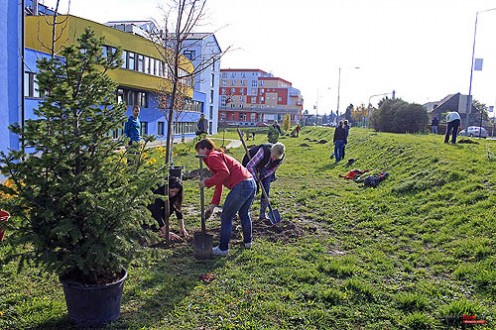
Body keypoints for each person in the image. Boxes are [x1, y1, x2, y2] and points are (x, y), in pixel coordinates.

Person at [196, 138, 256, 256]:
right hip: (251, 183)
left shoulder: (212, 156)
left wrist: (206, 183)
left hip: (242, 185)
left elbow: (224, 173)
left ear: (205, 148)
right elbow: (219, 183)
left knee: (226, 217)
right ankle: (248, 242)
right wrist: (212, 207)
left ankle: (223, 249)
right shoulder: (216, 156)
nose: (198, 154)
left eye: (199, 151)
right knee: (244, 214)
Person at [242, 142, 285, 221]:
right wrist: (256, 179)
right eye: (274, 156)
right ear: (271, 151)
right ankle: (244, 211)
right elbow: (249, 166)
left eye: (277, 158)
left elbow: (272, 170)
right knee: (251, 188)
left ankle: (262, 214)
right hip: (251, 165)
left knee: (266, 188)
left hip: (265, 168)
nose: (274, 159)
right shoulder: (263, 151)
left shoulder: (280, 158)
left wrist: (263, 176)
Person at [147, 176, 188, 240]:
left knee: (171, 206)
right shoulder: (158, 193)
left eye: (176, 192)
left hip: (158, 210)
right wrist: (166, 232)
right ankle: (154, 227)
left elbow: (178, 209)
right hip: (147, 209)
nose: (173, 194)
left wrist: (182, 228)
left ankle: (159, 228)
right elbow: (156, 212)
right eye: (172, 191)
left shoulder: (175, 195)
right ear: (167, 188)